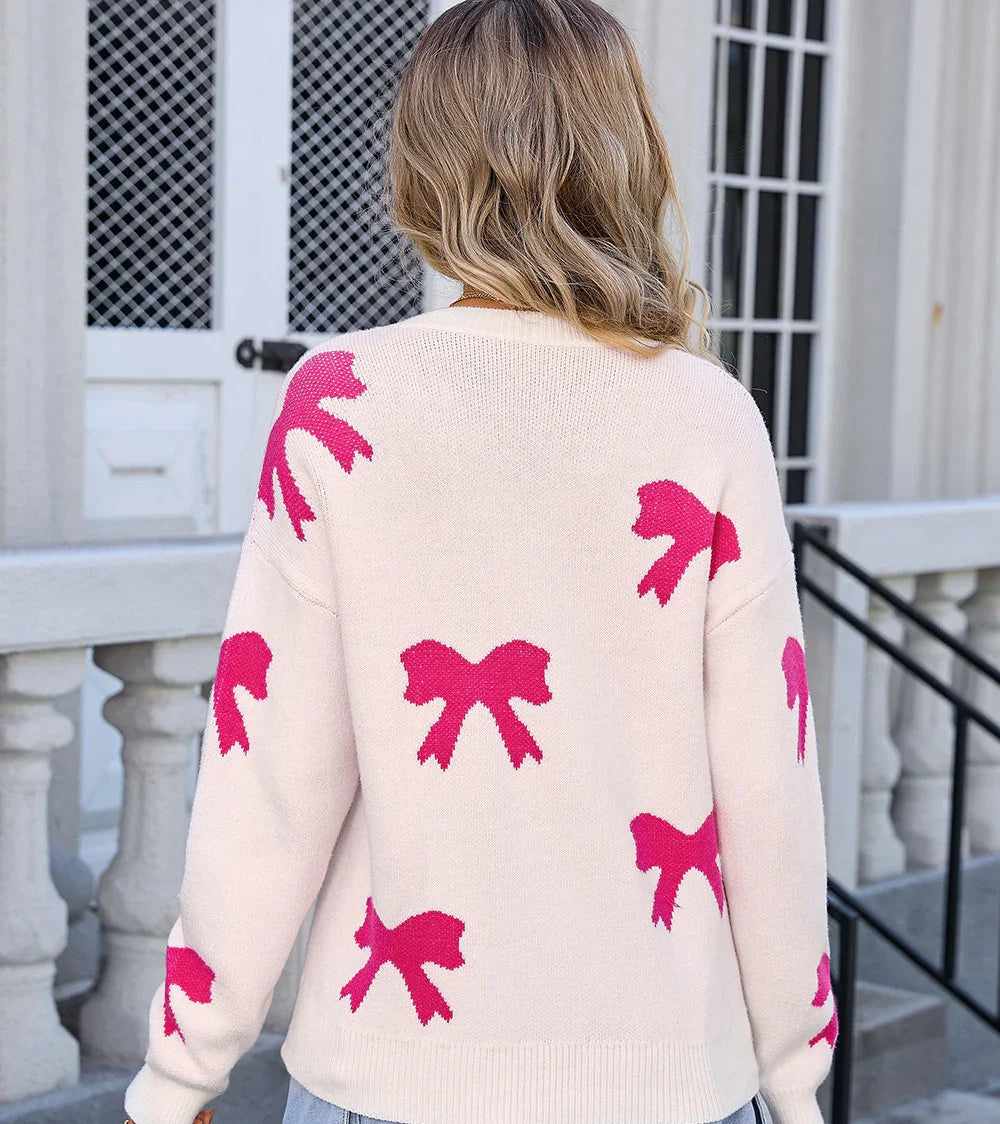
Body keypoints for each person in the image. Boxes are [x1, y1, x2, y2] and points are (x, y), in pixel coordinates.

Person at [123, 1, 836, 1122]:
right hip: (668, 1082)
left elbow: (267, 776)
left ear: (422, 163)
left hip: (389, 1078)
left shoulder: (339, 405)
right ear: (626, 153)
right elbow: (768, 784)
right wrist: (796, 1077)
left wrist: (182, 1071)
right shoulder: (710, 417)